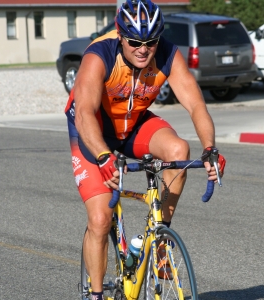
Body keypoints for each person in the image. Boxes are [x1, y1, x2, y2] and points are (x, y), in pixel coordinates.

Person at [64, 0, 225, 299]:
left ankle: (160, 237)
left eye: (151, 42)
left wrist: (210, 149)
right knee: (100, 218)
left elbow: (195, 104)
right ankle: (96, 294)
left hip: (132, 124)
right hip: (93, 131)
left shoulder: (166, 54)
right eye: (135, 41)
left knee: (178, 149)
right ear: (120, 35)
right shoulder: (99, 55)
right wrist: (103, 156)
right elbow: (84, 111)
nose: (143, 49)